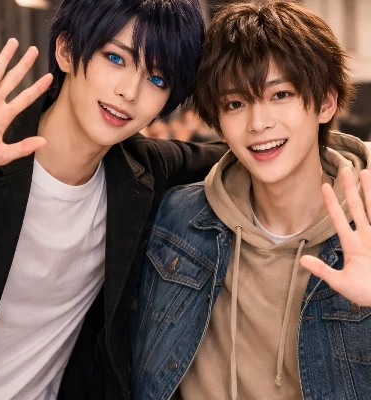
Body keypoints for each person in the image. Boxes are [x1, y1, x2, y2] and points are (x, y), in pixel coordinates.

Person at [0, 0, 227, 399]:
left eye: (157, 79)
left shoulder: (141, 171)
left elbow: (243, 152)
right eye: (115, 58)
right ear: (66, 50)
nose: (129, 92)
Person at [131, 1, 371, 399]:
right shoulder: (179, 218)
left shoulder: (365, 228)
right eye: (235, 104)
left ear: (326, 103)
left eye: (281, 94)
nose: (258, 123)